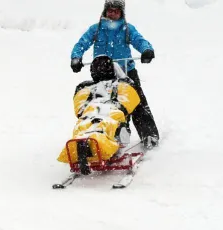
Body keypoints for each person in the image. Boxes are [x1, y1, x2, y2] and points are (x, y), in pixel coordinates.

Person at [70, 0, 159, 150]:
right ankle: (108, 136)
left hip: (126, 71)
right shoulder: (96, 29)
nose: (112, 13)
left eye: (115, 11)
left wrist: (146, 50)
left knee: (136, 102)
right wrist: (76, 57)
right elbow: (82, 43)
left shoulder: (127, 29)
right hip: (103, 72)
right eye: (109, 10)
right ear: (105, 11)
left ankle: (149, 134)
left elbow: (139, 41)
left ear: (121, 12)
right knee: (104, 105)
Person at [58, 55, 141, 175]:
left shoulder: (85, 87)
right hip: (105, 110)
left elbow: (80, 107)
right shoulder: (121, 85)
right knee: (105, 124)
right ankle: (96, 145)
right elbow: (129, 100)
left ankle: (83, 144)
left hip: (97, 112)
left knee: (87, 125)